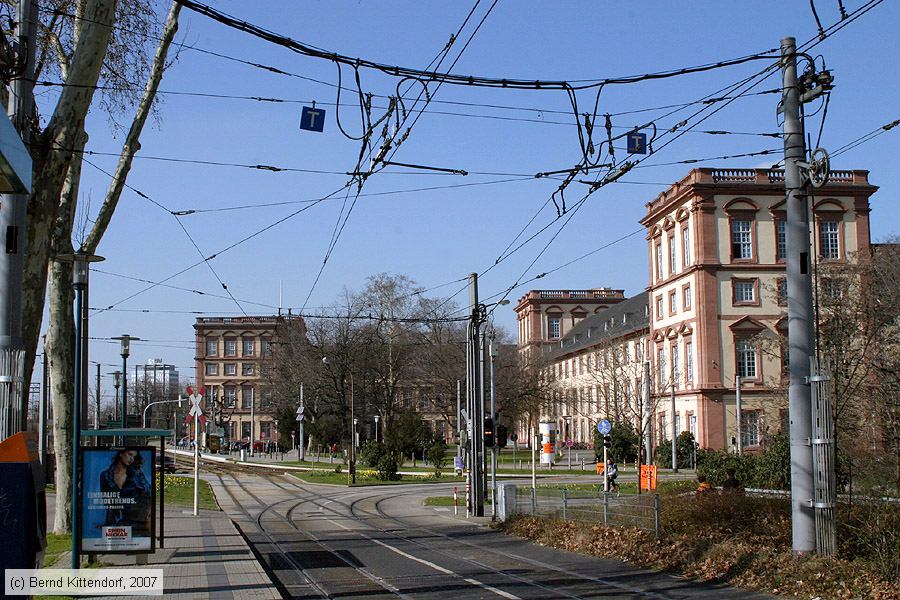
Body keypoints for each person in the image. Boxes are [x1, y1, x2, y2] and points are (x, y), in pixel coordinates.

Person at [100, 449, 152, 534]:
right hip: (126, 520)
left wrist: (149, 515)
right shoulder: (105, 475)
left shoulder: (137, 474)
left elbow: (149, 493)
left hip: (142, 519)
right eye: (130, 454)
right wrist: (108, 524)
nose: (131, 459)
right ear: (121, 454)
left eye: (134, 457)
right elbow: (108, 502)